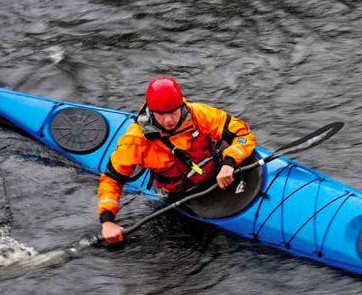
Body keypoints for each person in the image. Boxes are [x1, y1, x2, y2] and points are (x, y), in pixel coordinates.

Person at [98, 76, 256, 243]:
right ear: (151, 111)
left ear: (181, 105)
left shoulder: (199, 114)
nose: (168, 120)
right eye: (160, 114)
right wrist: (107, 221)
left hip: (219, 175)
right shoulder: (135, 141)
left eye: (173, 112)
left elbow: (243, 135)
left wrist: (229, 163)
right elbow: (111, 180)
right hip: (179, 197)